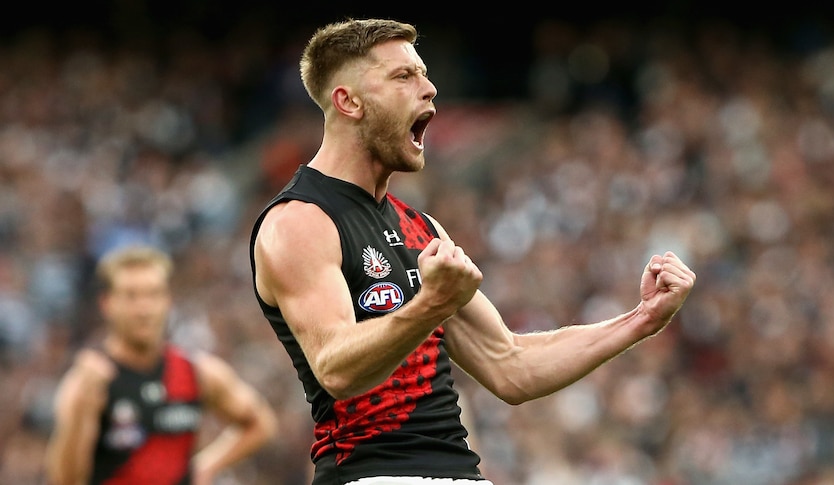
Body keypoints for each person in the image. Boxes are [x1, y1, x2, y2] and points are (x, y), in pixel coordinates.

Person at [249, 18, 696, 485]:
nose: (430, 88)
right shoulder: (299, 221)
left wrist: (642, 320)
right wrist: (431, 304)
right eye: (404, 76)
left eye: (423, 73)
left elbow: (511, 365)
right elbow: (336, 368)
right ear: (348, 101)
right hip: (371, 474)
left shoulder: (420, 227)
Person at [45, 245, 278, 485]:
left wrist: (207, 465)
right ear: (107, 303)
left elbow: (260, 423)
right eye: (131, 296)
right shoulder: (91, 382)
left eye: (153, 294)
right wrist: (82, 409)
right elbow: (65, 480)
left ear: (167, 300)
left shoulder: (196, 372)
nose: (144, 309)